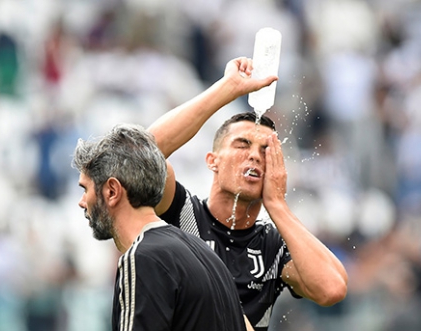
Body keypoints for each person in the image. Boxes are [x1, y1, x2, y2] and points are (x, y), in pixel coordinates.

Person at [148, 57, 349, 330]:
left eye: (266, 151)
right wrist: (227, 88)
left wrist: (277, 205)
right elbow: (143, 152)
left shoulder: (271, 245)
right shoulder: (182, 212)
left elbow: (332, 288)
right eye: (242, 144)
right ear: (212, 160)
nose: (254, 155)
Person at [72, 123, 252, 331]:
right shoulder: (208, 256)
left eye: (85, 189)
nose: (82, 201)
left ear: (112, 191)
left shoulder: (142, 257)